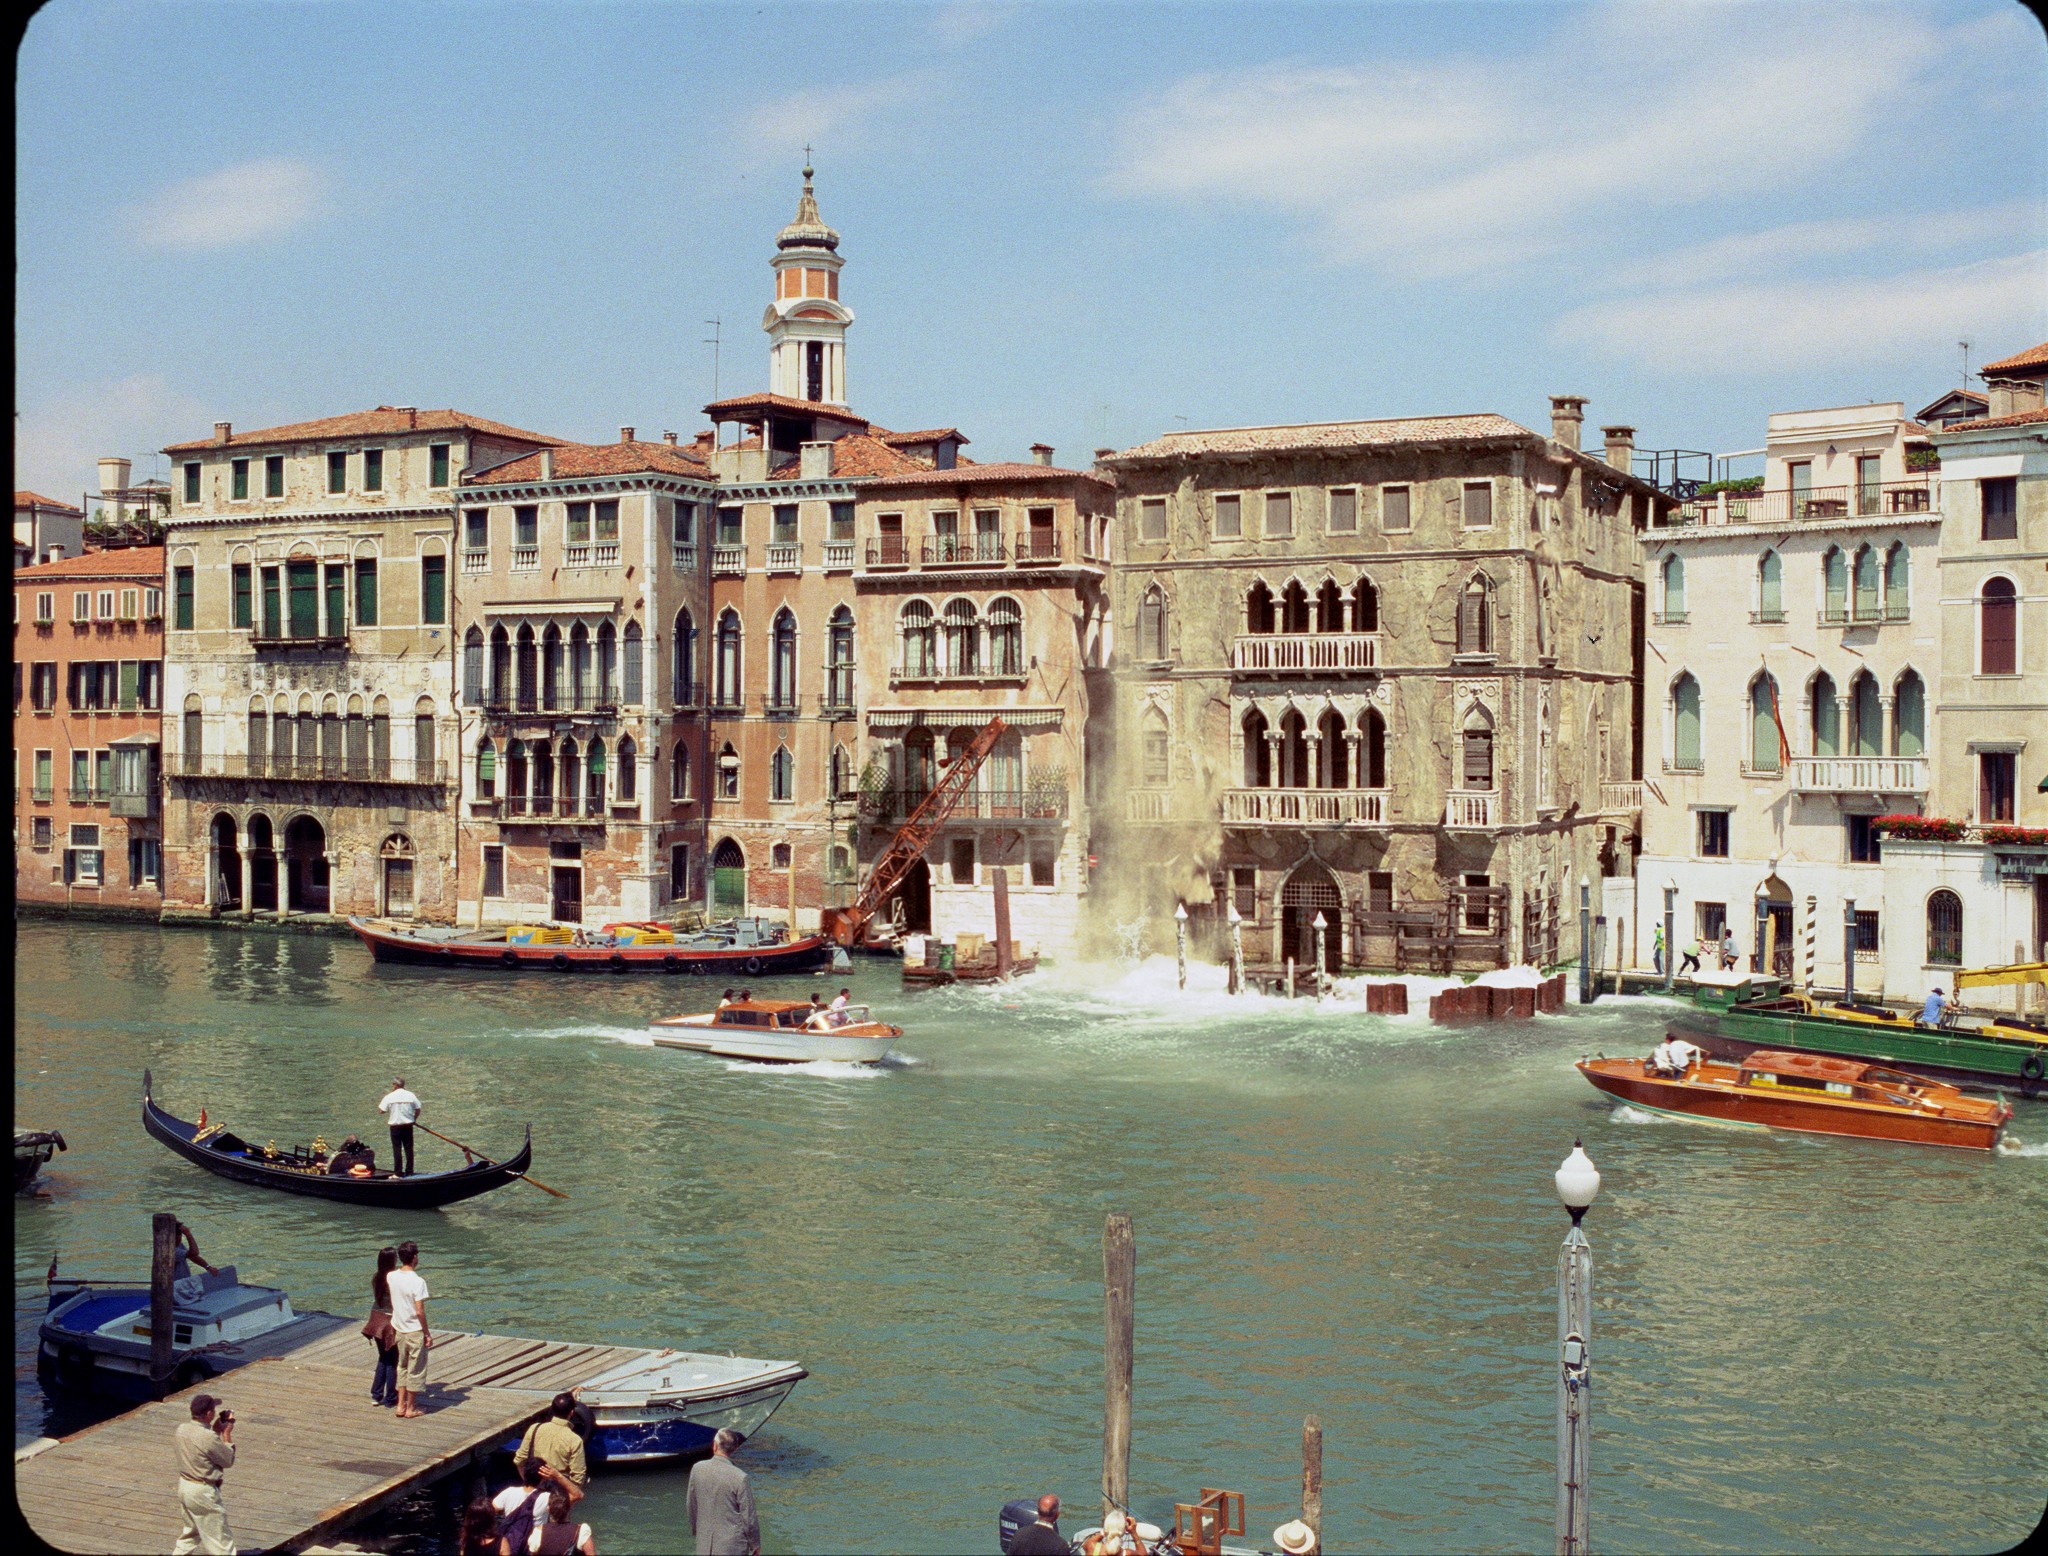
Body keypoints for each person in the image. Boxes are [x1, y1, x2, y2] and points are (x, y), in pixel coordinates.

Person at [172, 1393, 236, 1556]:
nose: (214, 1412)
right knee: (221, 1543)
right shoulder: (208, 1437)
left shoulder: (182, 1429)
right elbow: (227, 1460)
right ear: (208, 1414)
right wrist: (226, 1434)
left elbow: (201, 1444)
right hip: (203, 1492)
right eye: (213, 1410)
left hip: (185, 1487)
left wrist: (215, 1429)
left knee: (190, 1535)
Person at [686, 1428, 760, 1556]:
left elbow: (691, 1505)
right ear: (735, 1449)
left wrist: (697, 1531)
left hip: (704, 1544)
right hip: (732, 1548)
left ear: (714, 1446)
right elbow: (749, 1517)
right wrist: (755, 1545)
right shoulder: (740, 1477)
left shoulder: (697, 1469)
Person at [388, 1239, 433, 1418]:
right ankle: (411, 1408)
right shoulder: (418, 1281)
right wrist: (427, 1333)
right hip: (414, 1330)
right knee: (416, 1369)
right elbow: (420, 1311)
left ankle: (400, 1405)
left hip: (399, 1328)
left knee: (402, 1367)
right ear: (414, 1257)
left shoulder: (391, 1276)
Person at [514, 1391, 590, 1491]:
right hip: (557, 1493)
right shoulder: (575, 1440)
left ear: (552, 1410)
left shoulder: (535, 1428)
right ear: (571, 1412)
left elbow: (519, 1461)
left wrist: (529, 1484)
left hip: (534, 1490)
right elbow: (578, 1480)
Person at [368, 1245, 401, 1407]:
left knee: (383, 1357)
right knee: (392, 1360)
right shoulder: (393, 1278)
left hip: (375, 1319)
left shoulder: (376, 1277)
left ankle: (376, 1394)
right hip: (388, 1321)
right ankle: (390, 1396)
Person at [378, 1076, 423, 1176]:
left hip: (395, 1127)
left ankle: (398, 1173)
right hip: (408, 1125)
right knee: (409, 1149)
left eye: (393, 1084)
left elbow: (381, 1111)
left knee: (397, 1149)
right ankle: (409, 1172)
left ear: (395, 1085)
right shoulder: (411, 1095)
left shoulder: (389, 1096)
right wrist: (414, 1119)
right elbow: (418, 1109)